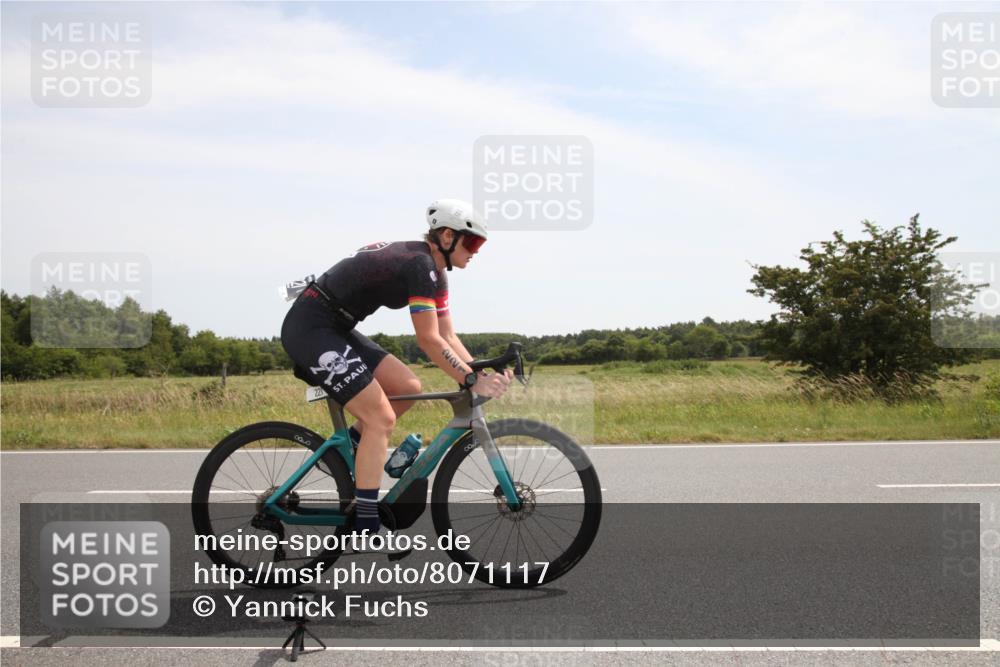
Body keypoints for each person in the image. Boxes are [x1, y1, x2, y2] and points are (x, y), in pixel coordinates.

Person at [280, 199, 512, 535]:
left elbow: (447, 335)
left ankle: (355, 450)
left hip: (335, 326)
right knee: (381, 418)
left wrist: (480, 370)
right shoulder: (419, 265)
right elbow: (429, 341)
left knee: (407, 388)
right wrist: (469, 379)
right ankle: (366, 521)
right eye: (472, 241)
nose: (476, 251)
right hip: (311, 327)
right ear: (447, 237)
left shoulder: (434, 272)